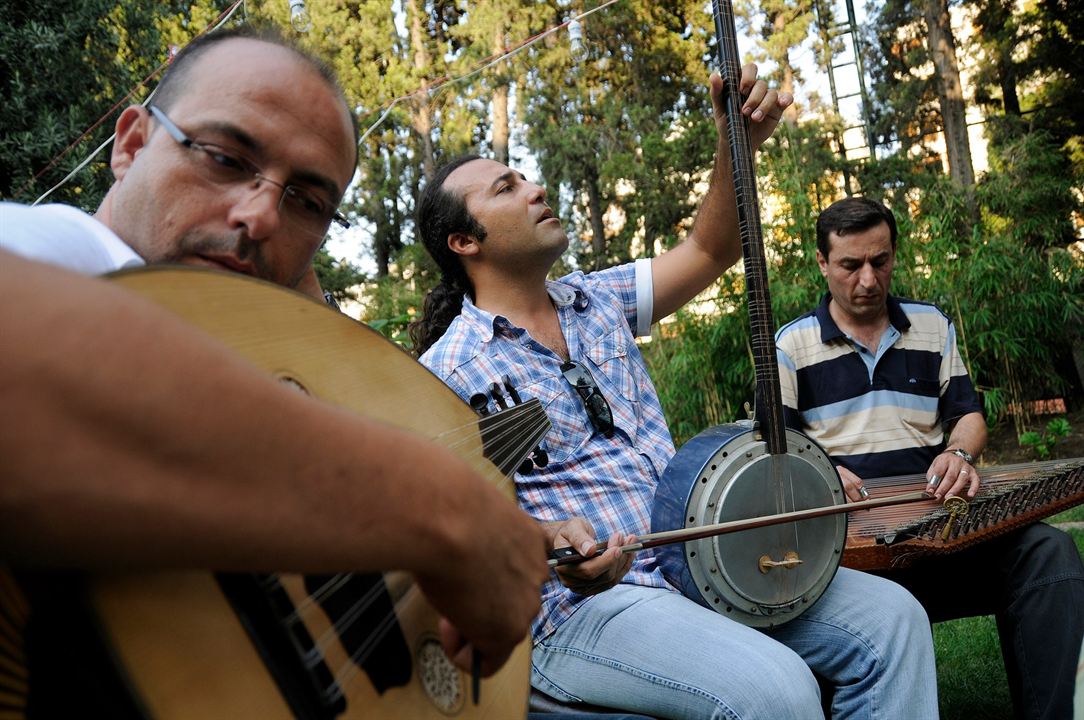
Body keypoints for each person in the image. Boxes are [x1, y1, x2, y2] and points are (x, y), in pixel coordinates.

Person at [0, 25, 632, 713]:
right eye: (223, 157)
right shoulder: (58, 252)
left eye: (307, 201)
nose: (260, 215)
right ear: (130, 145)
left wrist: (513, 543)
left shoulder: (268, 344)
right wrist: (449, 513)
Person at [411, 65, 939, 719]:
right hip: (580, 610)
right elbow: (447, 522)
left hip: (700, 563)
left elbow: (709, 248)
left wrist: (734, 143)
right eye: (507, 188)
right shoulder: (442, 374)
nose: (536, 189)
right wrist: (545, 539)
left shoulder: (596, 298)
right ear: (465, 242)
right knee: (775, 691)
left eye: (525, 177)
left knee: (893, 622)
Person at [775, 196, 1084, 720]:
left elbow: (968, 415)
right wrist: (822, 470)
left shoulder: (931, 326)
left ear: (894, 254)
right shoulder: (791, 345)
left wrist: (960, 452)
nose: (868, 280)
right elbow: (775, 450)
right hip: (852, 560)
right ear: (823, 264)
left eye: (881, 261)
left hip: (941, 533)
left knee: (1048, 554)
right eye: (851, 266)